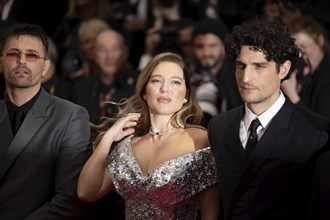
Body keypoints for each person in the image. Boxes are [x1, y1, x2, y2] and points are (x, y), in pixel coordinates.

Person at [207, 17, 329, 220]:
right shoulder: (218, 127)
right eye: (241, 66)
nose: (246, 78)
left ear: (283, 69)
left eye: (259, 66)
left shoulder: (317, 133)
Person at [77, 52, 220, 219]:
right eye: (156, 80)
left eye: (175, 82)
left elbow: (211, 213)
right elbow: (86, 192)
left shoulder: (200, 140)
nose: (164, 88)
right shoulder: (127, 147)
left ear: (186, 96)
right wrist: (108, 138)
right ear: (145, 92)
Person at [0, 23, 92, 219]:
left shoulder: (70, 117)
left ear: (45, 67)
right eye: (13, 54)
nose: (21, 61)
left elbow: (69, 200)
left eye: (32, 55)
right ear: (0, 63)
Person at [191, 18, 242, 127]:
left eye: (212, 46)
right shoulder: (188, 75)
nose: (206, 53)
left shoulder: (238, 75)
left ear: (224, 46)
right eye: (200, 46)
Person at [281, 15, 330, 120]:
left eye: (303, 46)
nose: (301, 54)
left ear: (320, 40)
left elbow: (323, 126)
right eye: (297, 50)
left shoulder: (326, 75)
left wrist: (292, 95)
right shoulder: (306, 73)